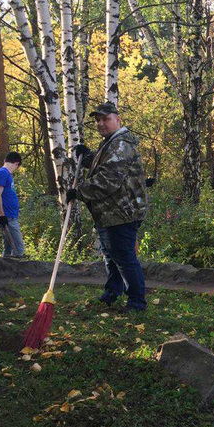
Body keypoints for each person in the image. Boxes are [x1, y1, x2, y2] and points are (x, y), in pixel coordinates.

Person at [67, 102, 148, 312]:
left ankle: (137, 302)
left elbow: (109, 179)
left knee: (123, 257)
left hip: (121, 212)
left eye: (106, 119)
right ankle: (113, 291)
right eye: (98, 120)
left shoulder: (121, 144)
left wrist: (79, 192)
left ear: (118, 119)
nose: (101, 123)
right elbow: (105, 166)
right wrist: (87, 157)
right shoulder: (111, 142)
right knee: (111, 256)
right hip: (110, 212)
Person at [0, 151, 26, 257]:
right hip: (7, 216)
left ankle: (5, 270)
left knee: (8, 247)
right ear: (16, 163)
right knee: (19, 247)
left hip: (10, 215)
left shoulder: (7, 175)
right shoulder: (2, 173)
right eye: (17, 167)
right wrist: (2, 215)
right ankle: (20, 270)